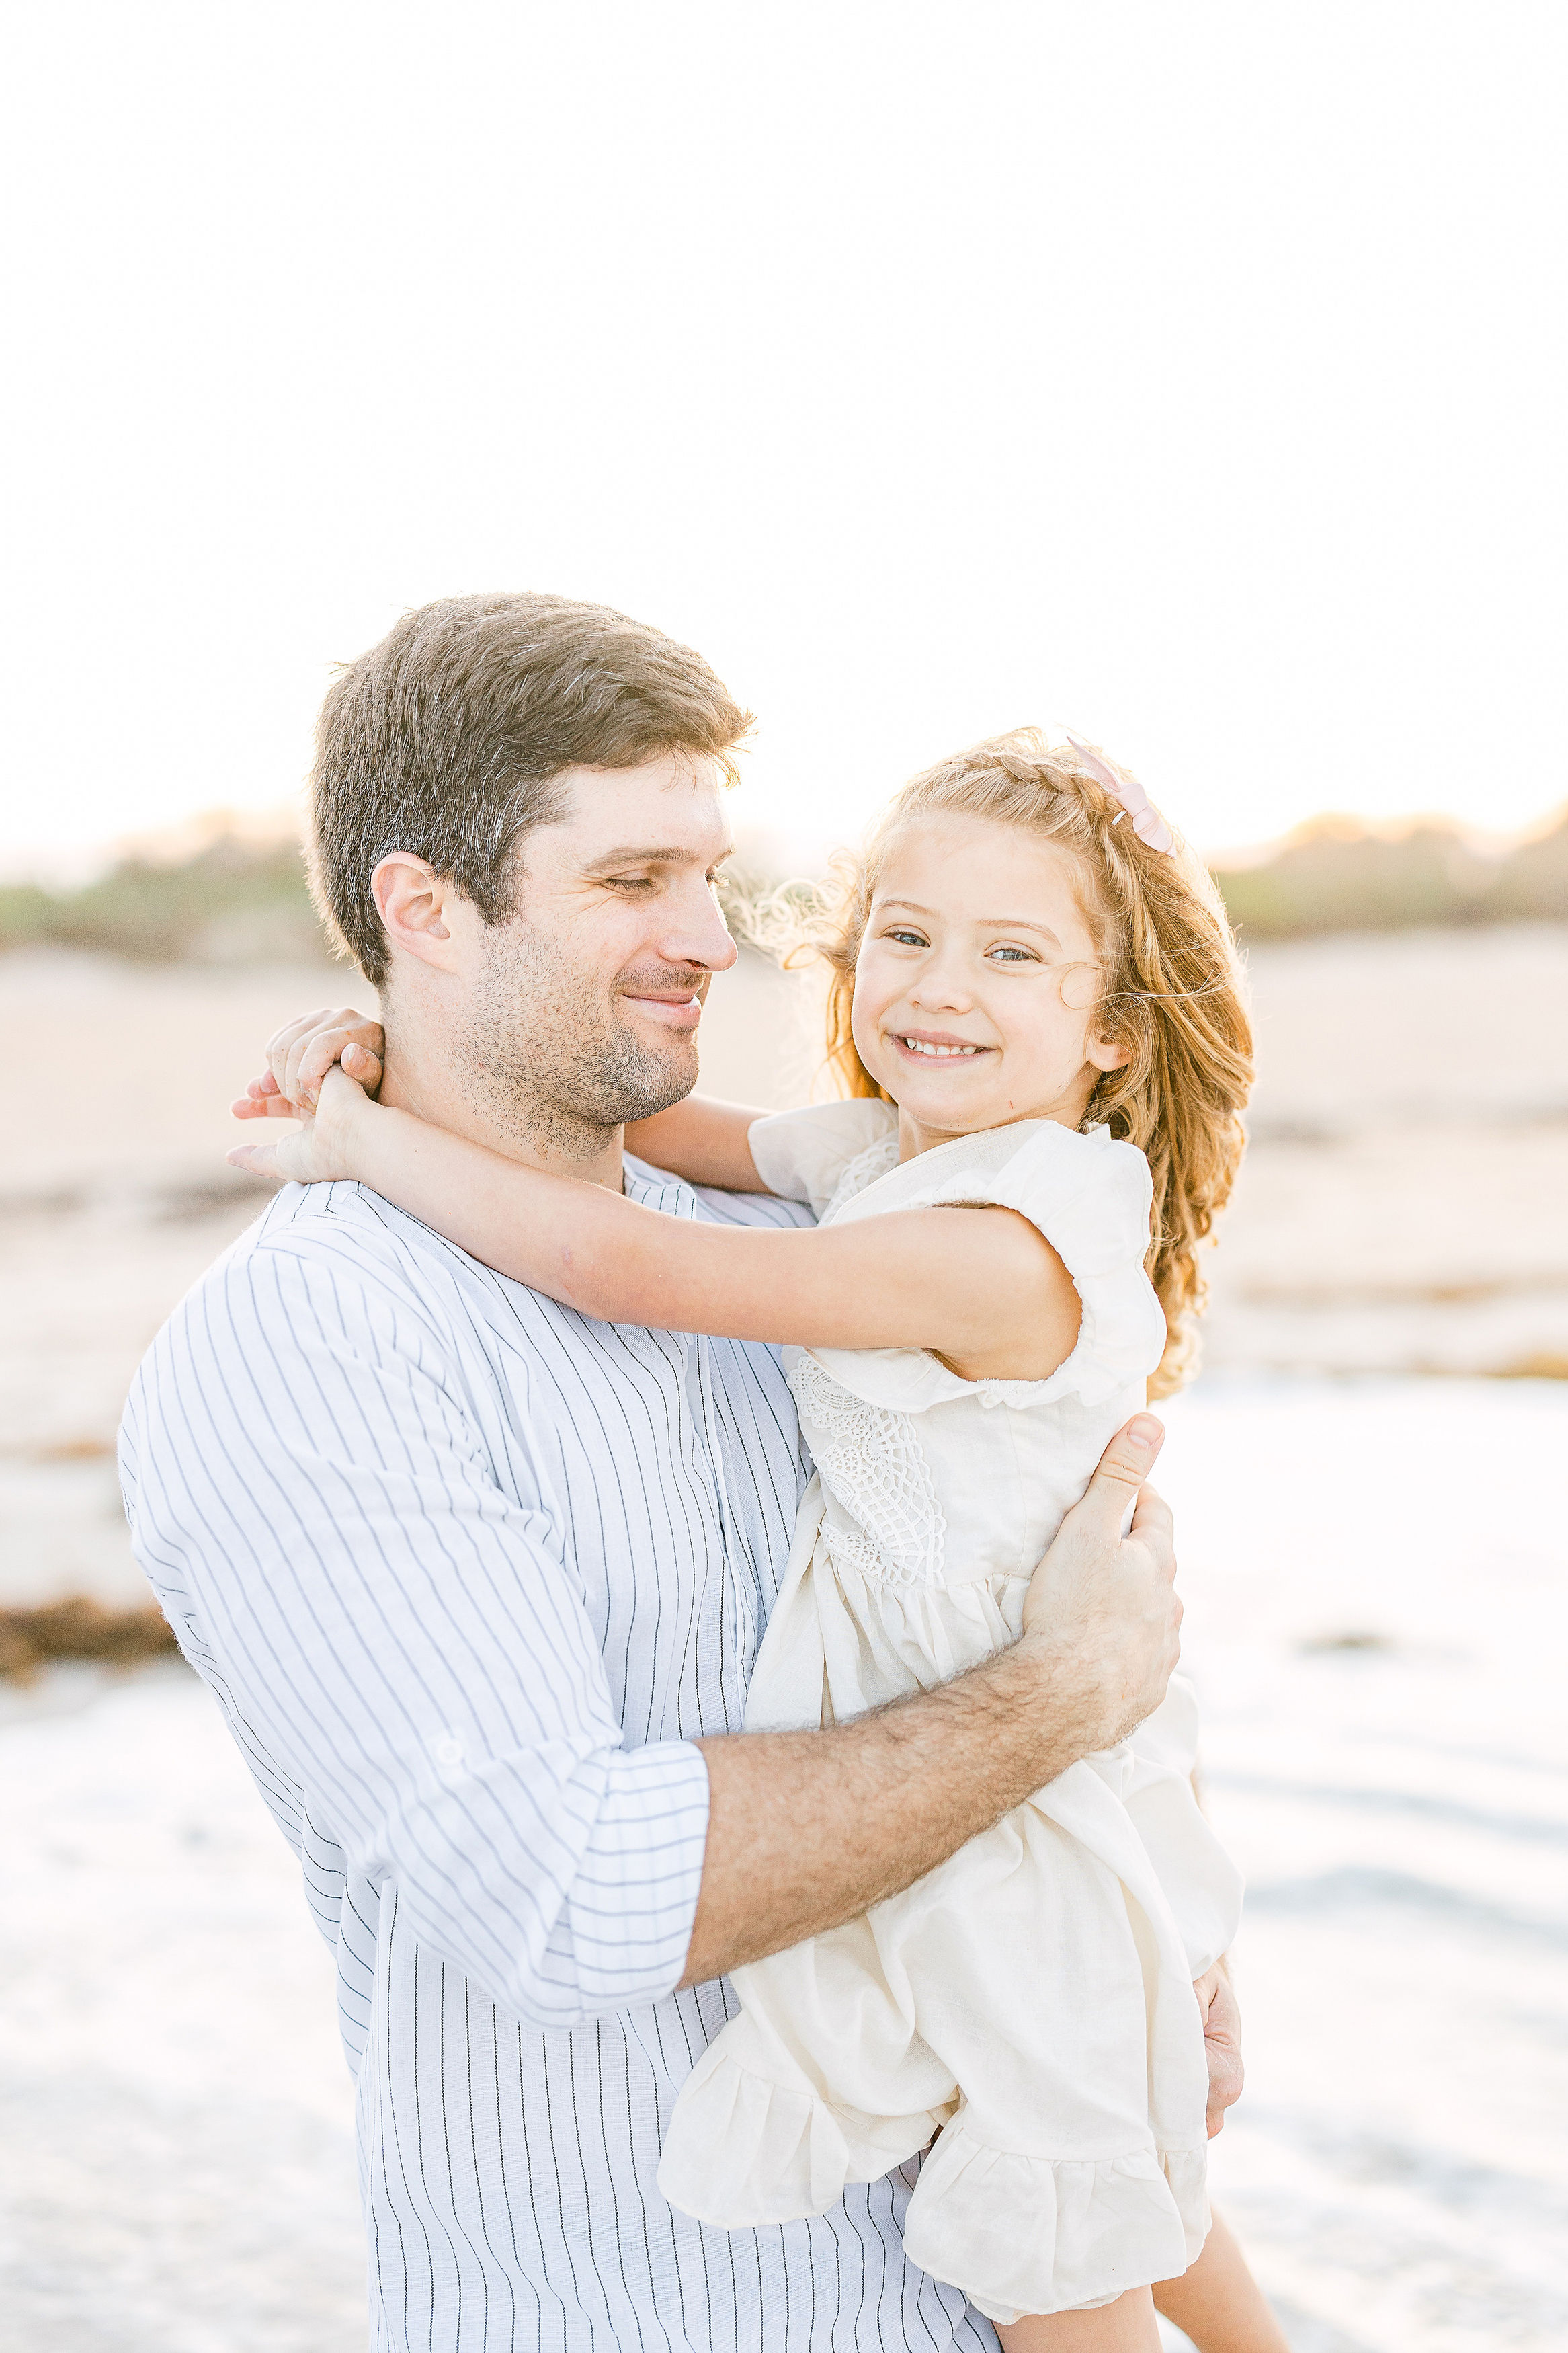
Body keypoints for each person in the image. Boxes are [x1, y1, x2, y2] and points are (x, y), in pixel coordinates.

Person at [118, 592, 1249, 2353]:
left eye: (715, 876)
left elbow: (1035, 1546)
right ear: (425, 909)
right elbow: (569, 1895)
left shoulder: (792, 1221)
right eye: (637, 880)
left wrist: (1156, 1918)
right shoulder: (315, 1343)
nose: (717, 938)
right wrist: (1057, 1703)